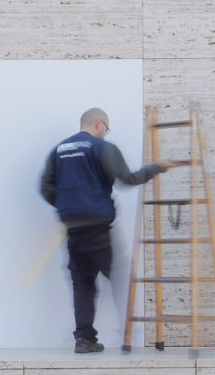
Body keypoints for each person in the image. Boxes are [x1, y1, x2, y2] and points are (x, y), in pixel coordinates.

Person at [39, 108, 175, 353]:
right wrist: (156, 168)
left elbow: (45, 188)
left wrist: (67, 207)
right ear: (99, 123)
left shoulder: (58, 150)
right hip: (99, 228)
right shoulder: (102, 148)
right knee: (122, 277)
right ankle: (128, 335)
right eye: (106, 128)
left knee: (82, 284)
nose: (105, 133)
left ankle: (84, 339)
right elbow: (128, 179)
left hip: (73, 230)